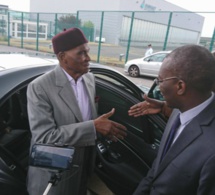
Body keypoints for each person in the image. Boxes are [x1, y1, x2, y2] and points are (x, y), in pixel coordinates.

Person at [26, 28, 127, 195]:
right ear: (62, 57)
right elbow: (44, 138)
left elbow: (86, 118)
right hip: (55, 176)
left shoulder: (89, 78)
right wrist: (94, 127)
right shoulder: (40, 87)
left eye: (87, 52)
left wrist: (100, 128)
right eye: (81, 53)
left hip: (84, 167)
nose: (88, 58)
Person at [129, 44, 215, 195]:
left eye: (160, 80)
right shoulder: (178, 110)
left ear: (180, 86)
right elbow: (158, 169)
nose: (159, 85)